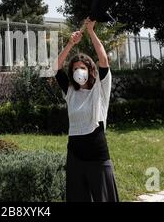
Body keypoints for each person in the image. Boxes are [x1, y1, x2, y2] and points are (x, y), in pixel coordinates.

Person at [54, 18, 119, 202]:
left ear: (89, 69)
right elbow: (57, 67)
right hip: (75, 154)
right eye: (75, 69)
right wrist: (70, 43)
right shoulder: (70, 91)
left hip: (97, 154)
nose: (78, 71)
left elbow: (103, 59)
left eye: (82, 68)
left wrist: (90, 31)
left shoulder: (100, 88)